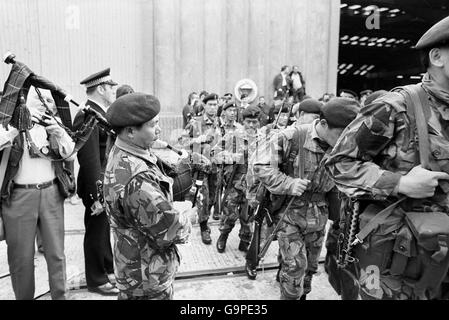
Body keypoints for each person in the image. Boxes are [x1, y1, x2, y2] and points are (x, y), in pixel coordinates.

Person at [325, 16, 449, 300]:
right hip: (400, 265)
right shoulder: (397, 106)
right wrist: (399, 183)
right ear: (437, 57)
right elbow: (339, 163)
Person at [253, 98, 359, 300]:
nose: (344, 140)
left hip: (319, 215)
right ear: (324, 124)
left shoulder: (343, 144)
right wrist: (289, 183)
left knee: (310, 267)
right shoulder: (292, 137)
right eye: (340, 134)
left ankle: (303, 295)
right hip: (289, 215)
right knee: (294, 267)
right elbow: (260, 166)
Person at [103, 93, 191, 300]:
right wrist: (187, 214)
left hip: (134, 269)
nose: (159, 129)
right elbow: (170, 230)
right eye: (153, 125)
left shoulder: (123, 152)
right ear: (131, 132)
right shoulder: (138, 178)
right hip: (147, 280)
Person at [0, 87, 75, 300]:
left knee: (57, 254)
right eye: (41, 99)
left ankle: (60, 297)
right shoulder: (7, 123)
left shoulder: (53, 124)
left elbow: (70, 153)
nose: (46, 104)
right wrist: (16, 128)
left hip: (51, 192)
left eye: (49, 100)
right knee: (21, 258)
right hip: (18, 197)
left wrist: (59, 133)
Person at [73, 68, 119, 295]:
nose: (114, 91)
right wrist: (96, 196)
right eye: (111, 87)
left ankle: (108, 270)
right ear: (101, 88)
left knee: (104, 231)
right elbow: (89, 159)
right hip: (96, 186)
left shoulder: (100, 112)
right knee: (95, 234)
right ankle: (96, 279)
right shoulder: (88, 114)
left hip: (105, 184)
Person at [213, 106, 261, 253]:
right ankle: (223, 236)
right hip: (234, 183)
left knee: (248, 216)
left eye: (254, 122)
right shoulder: (233, 136)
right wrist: (230, 157)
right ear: (243, 121)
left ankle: (245, 240)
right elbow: (214, 153)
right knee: (229, 214)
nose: (251, 125)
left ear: (259, 121)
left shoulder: (264, 139)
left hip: (253, 185)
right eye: (248, 122)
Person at [179, 93, 221, 244]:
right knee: (202, 197)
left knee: (213, 197)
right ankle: (204, 227)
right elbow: (182, 141)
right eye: (210, 104)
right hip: (201, 168)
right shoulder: (195, 123)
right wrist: (198, 139)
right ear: (204, 105)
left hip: (216, 167)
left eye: (215, 104)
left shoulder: (220, 122)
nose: (213, 107)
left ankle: (205, 217)